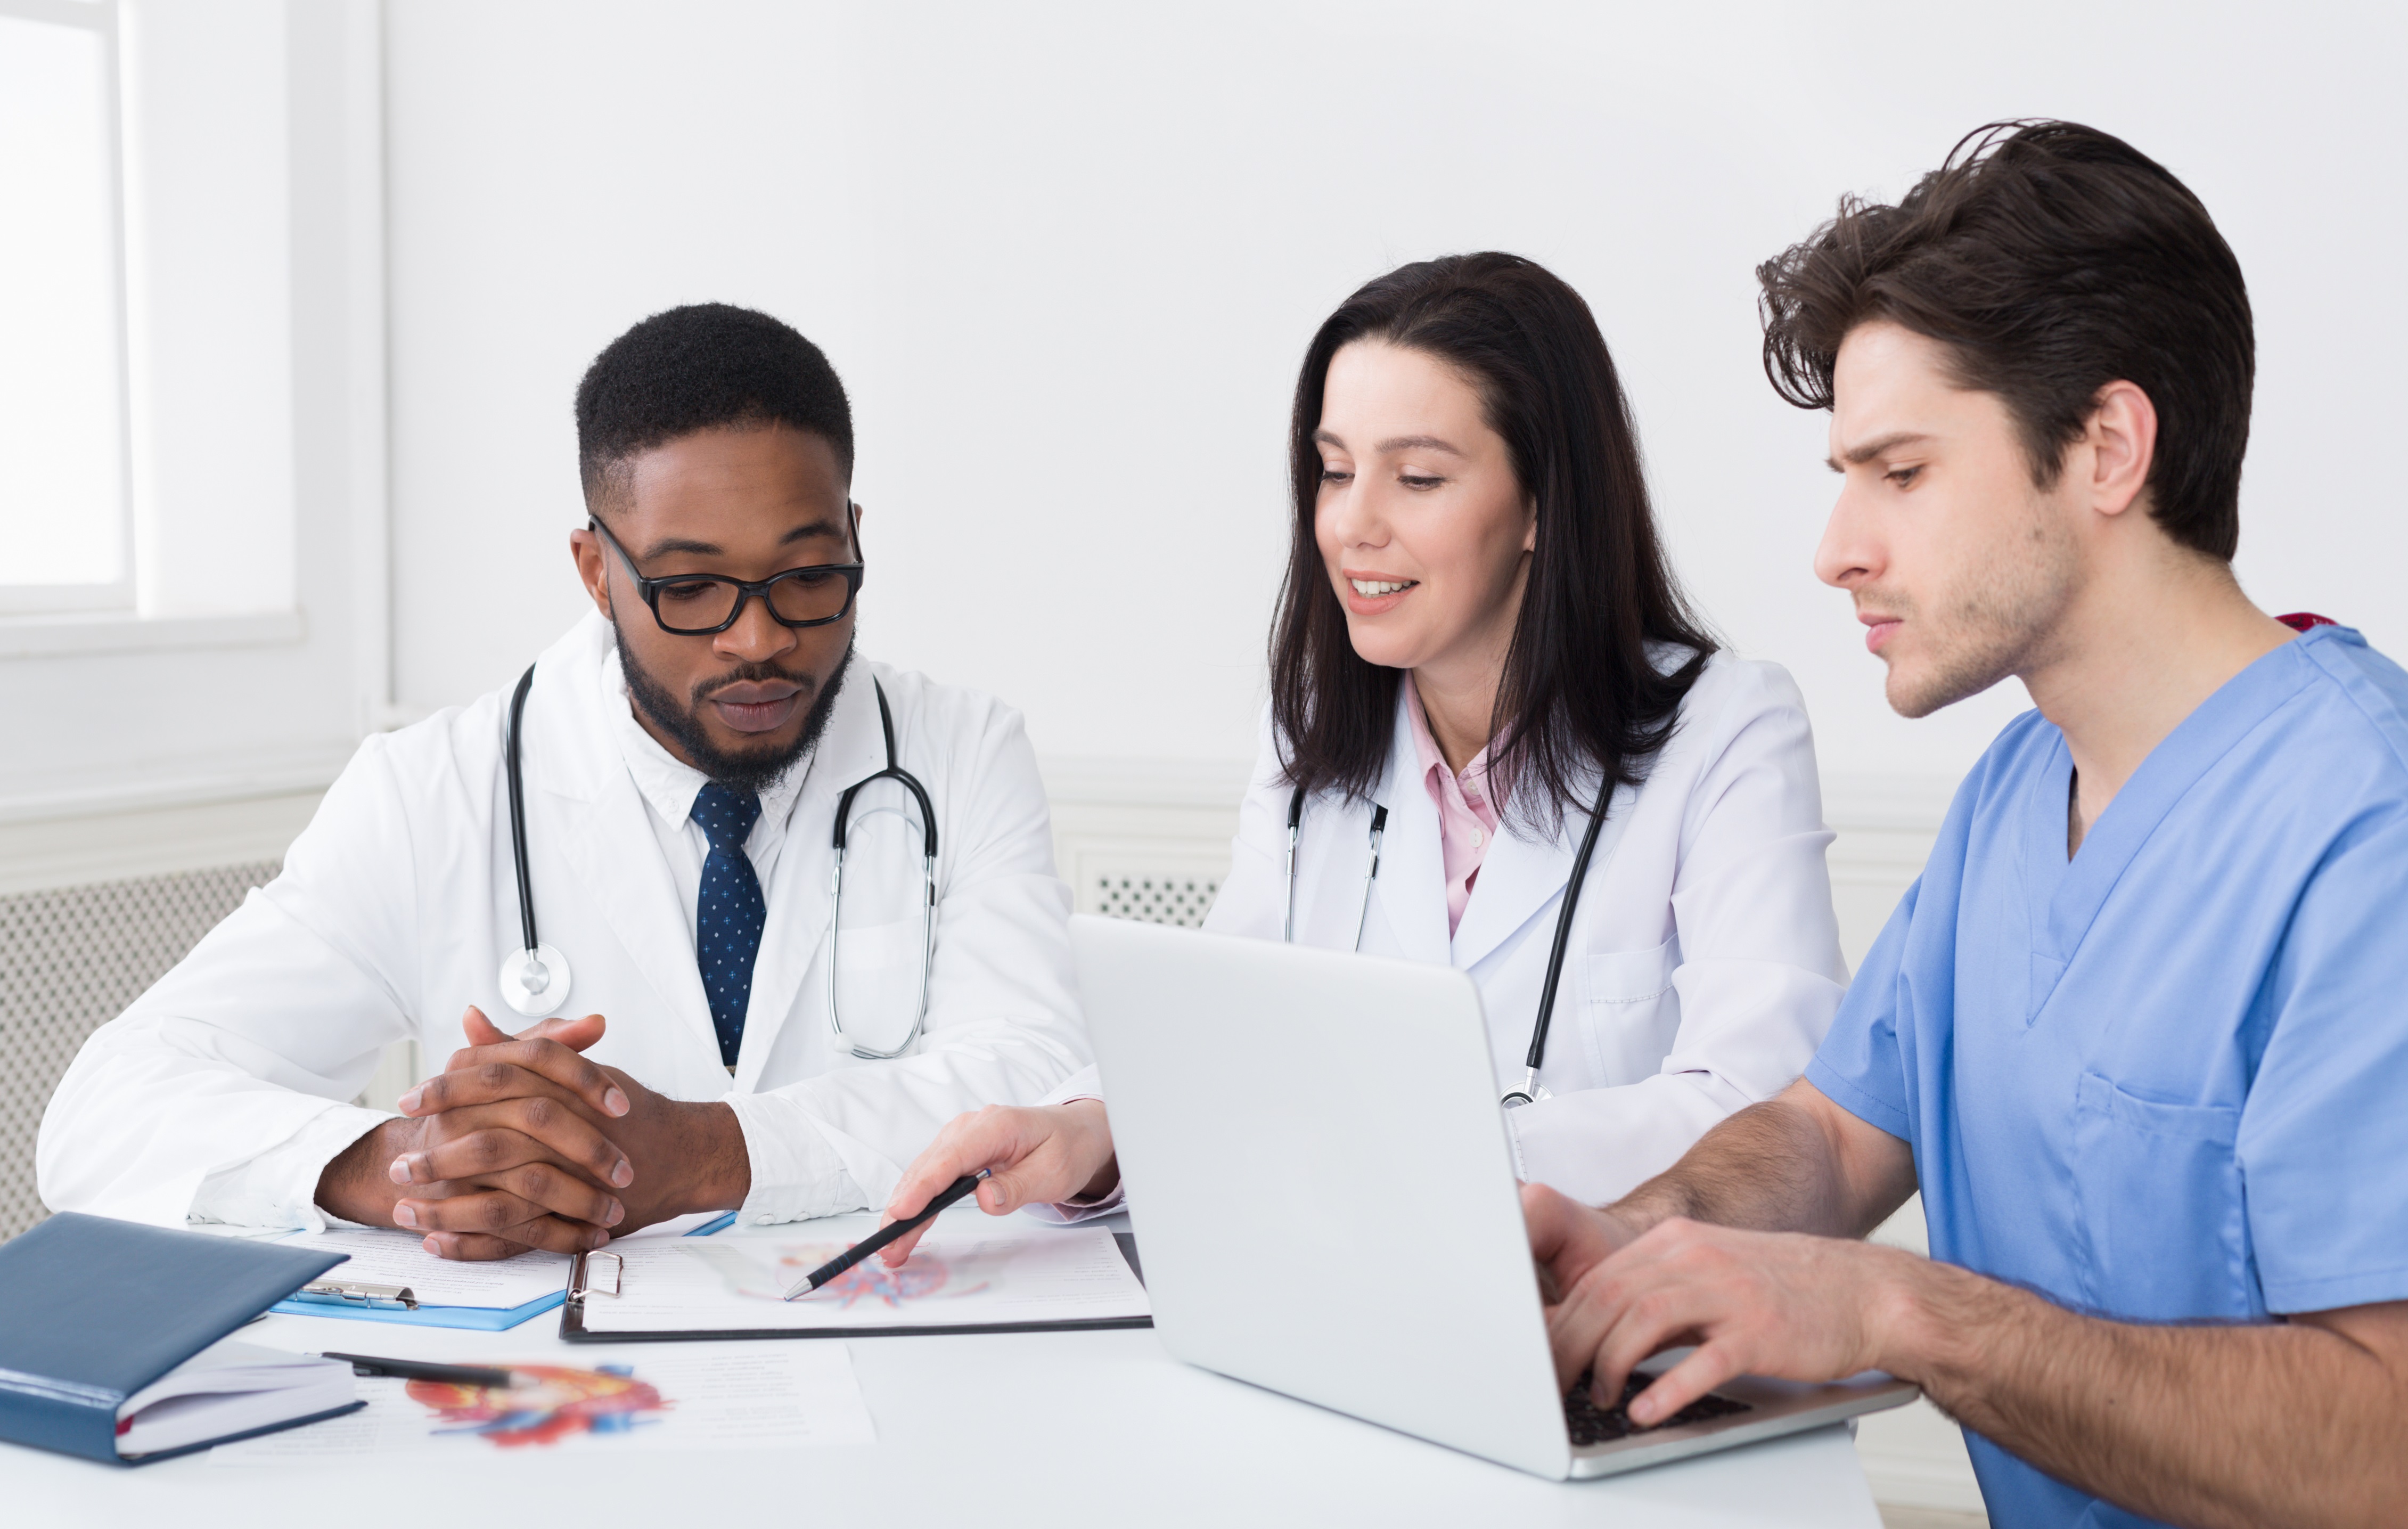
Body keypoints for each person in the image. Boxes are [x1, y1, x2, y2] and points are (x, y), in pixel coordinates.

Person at [1526, 122, 2408, 1528]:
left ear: (2107, 448)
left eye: (1902, 473)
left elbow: (2384, 1453)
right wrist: (1636, 1234)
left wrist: (1900, 1309)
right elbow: (1831, 1137)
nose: (1836, 550)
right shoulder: (2016, 792)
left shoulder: (2368, 835)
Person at [38, 304, 1088, 1259]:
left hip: (897, 1364)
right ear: (596, 570)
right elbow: (106, 1111)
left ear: (855, 536)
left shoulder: (959, 750)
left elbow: (1042, 1074)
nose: (757, 637)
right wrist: (409, 1163)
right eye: (688, 587)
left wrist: (705, 1151)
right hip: (555, 1401)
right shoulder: (431, 792)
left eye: (808, 575)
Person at [878, 252, 1851, 1255]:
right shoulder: (1314, 727)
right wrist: (1087, 1131)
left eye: (1418, 477)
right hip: (1356, 1293)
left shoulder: (1727, 729)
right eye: (1335, 471)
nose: (1351, 524)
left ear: (1542, 504)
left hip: (1623, 1323)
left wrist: (1410, 1148)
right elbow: (1223, 1027)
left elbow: (1764, 1109)